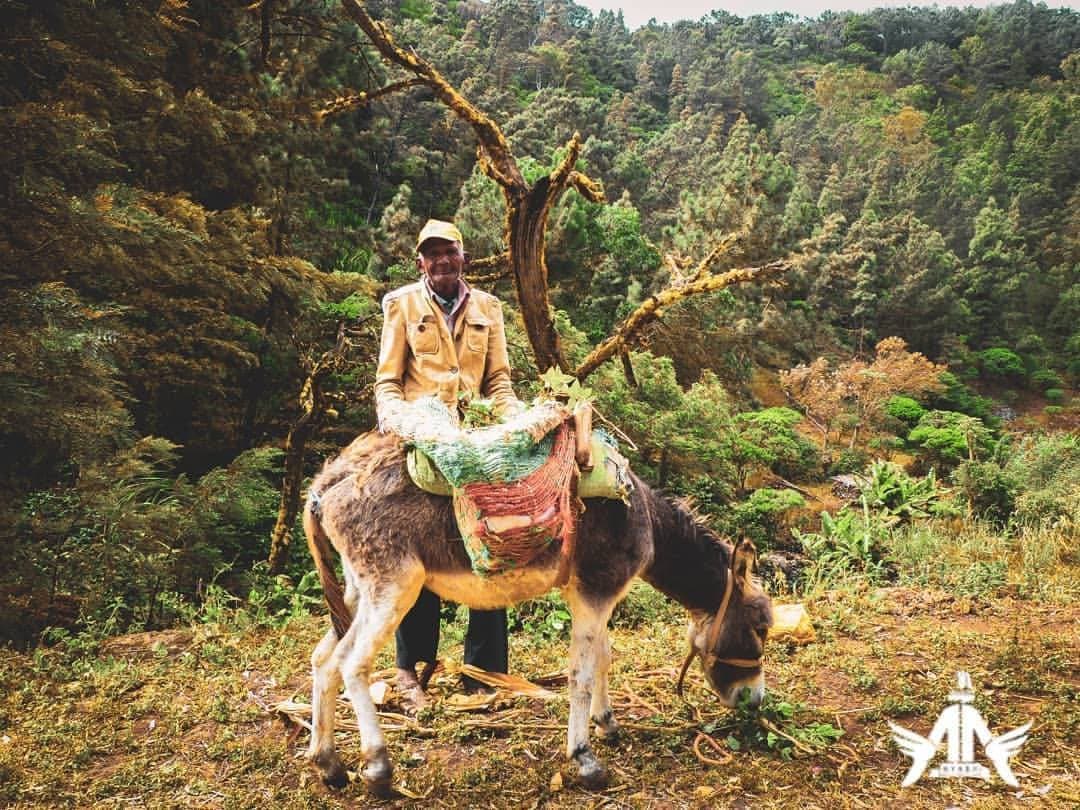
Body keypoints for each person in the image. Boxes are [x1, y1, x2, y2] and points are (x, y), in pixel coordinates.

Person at [373, 218, 519, 706]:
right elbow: (388, 383)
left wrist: (514, 423)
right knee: (421, 554)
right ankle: (411, 669)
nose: (440, 261)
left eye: (448, 253)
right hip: (420, 446)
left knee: (489, 548)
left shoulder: (489, 309)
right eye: (431, 254)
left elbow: (498, 381)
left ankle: (484, 673)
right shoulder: (402, 305)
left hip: (476, 447)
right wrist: (399, 421)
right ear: (421, 262)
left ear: (464, 259)